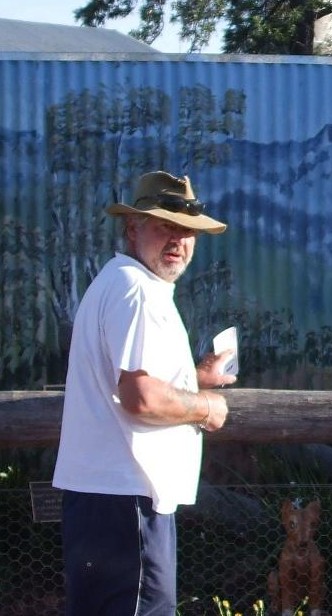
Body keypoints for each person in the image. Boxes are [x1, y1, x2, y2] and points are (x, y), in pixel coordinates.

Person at [53, 170, 235, 616]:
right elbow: (140, 397)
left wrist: (193, 378)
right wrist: (206, 407)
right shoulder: (136, 290)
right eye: (164, 226)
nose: (178, 240)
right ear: (132, 229)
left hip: (107, 498)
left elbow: (132, 382)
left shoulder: (123, 283)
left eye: (187, 231)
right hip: (128, 499)